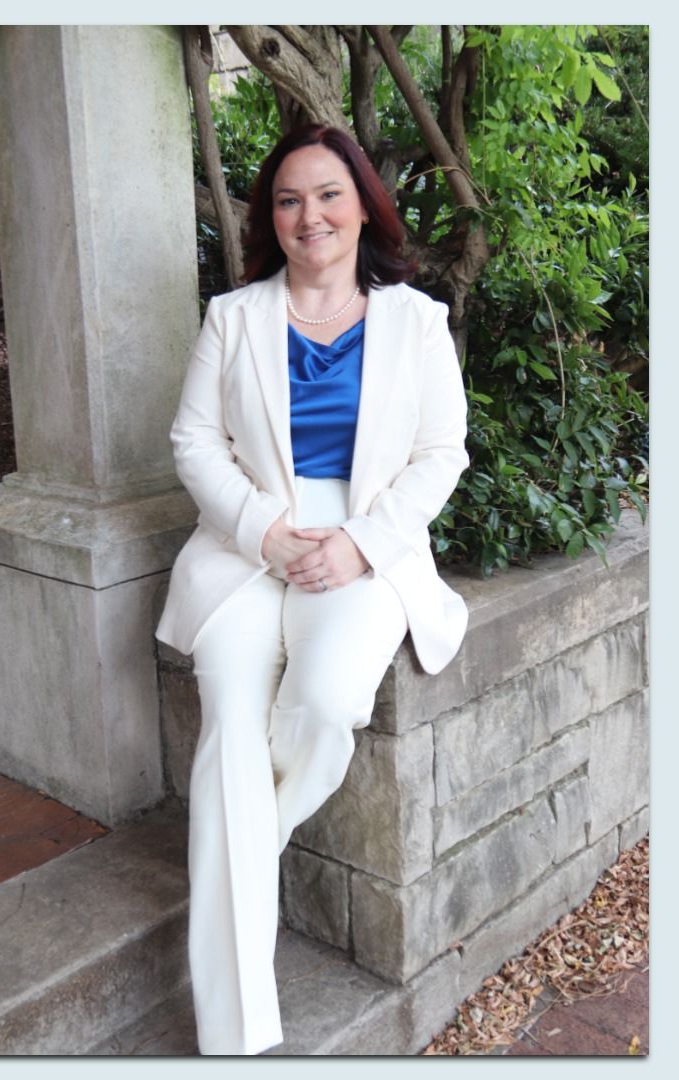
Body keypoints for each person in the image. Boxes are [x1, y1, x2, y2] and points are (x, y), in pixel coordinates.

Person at [153, 123, 471, 1055]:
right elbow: (193, 443)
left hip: (364, 544)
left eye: (328, 194)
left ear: (363, 204)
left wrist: (363, 545)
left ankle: (244, 850)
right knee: (230, 727)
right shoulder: (233, 316)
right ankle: (237, 1037)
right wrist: (265, 530)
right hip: (247, 541)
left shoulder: (415, 320)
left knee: (327, 708)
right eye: (288, 200)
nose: (309, 216)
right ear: (271, 218)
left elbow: (441, 452)